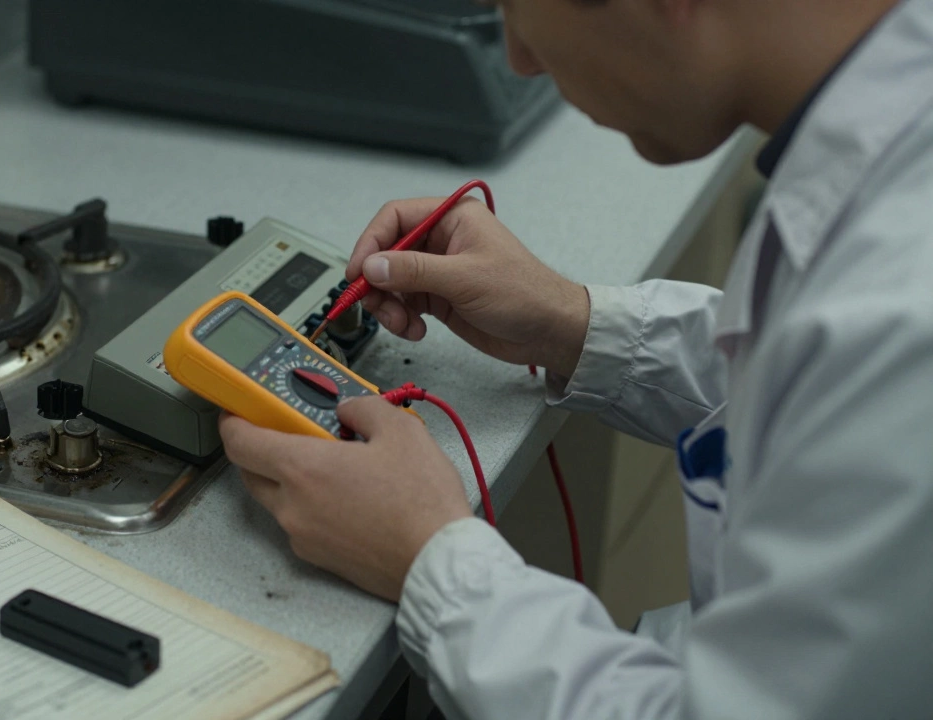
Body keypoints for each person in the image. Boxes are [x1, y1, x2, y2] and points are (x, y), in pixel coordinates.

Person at [218, 0, 933, 716]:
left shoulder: (903, 310)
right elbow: (823, 387)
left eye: (517, 8)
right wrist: (574, 325)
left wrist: (428, 557)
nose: (520, 58)